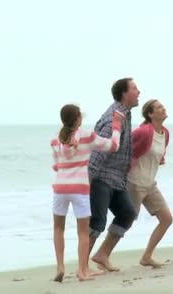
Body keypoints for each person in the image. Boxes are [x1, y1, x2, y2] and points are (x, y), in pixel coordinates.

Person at [50, 104, 123, 282]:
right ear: (78, 119)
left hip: (60, 188)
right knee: (82, 232)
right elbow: (113, 146)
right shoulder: (86, 136)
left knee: (58, 228)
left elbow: (56, 166)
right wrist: (116, 125)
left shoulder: (55, 140)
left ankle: (60, 267)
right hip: (79, 188)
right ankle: (82, 271)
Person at [88, 78, 140, 272]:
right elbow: (98, 152)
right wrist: (88, 181)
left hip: (117, 179)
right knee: (96, 223)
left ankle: (102, 255)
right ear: (124, 94)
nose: (139, 92)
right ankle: (82, 265)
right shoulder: (113, 118)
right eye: (135, 88)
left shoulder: (124, 114)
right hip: (101, 177)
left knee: (127, 213)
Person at [128, 99, 172, 268]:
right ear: (150, 114)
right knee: (125, 222)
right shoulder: (143, 131)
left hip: (150, 184)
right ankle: (101, 255)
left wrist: (160, 159)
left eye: (163, 105)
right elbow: (127, 151)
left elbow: (160, 153)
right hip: (134, 182)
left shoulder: (165, 133)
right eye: (159, 107)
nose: (164, 108)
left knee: (166, 219)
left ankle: (146, 256)